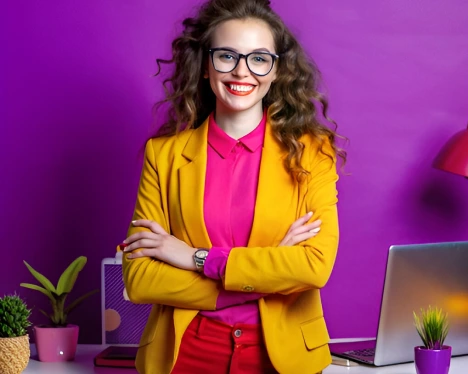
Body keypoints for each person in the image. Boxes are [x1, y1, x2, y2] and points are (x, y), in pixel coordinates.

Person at [120, 0, 346, 372]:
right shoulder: (163, 155)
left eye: (259, 59)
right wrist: (268, 272)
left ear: (276, 71)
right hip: (184, 356)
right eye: (227, 56)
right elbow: (141, 279)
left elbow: (313, 267)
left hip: (282, 358)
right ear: (206, 66)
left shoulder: (312, 152)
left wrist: (195, 258)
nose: (242, 71)